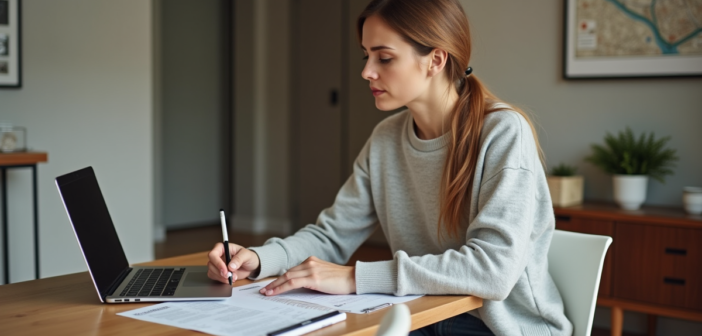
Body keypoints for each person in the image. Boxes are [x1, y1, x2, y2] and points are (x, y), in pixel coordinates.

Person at [207, 0, 572, 335]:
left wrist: (355, 278)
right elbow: (332, 236)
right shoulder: (386, 139)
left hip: (501, 327)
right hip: (423, 313)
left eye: (384, 58)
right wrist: (256, 259)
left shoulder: (504, 133)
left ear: (436, 60)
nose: (366, 71)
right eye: (366, 56)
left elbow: (493, 270)